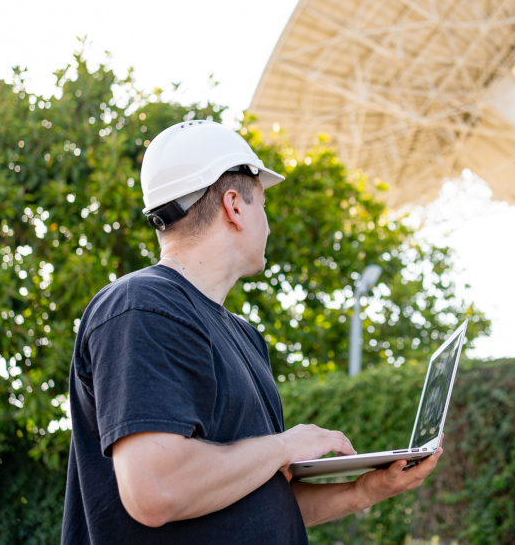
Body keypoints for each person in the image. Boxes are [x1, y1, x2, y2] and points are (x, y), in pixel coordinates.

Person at [61, 120, 442, 544]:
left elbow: (256, 499)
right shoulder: (141, 307)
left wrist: (365, 490)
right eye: (262, 204)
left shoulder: (243, 336)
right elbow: (157, 489)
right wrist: (284, 446)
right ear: (234, 206)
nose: (269, 224)